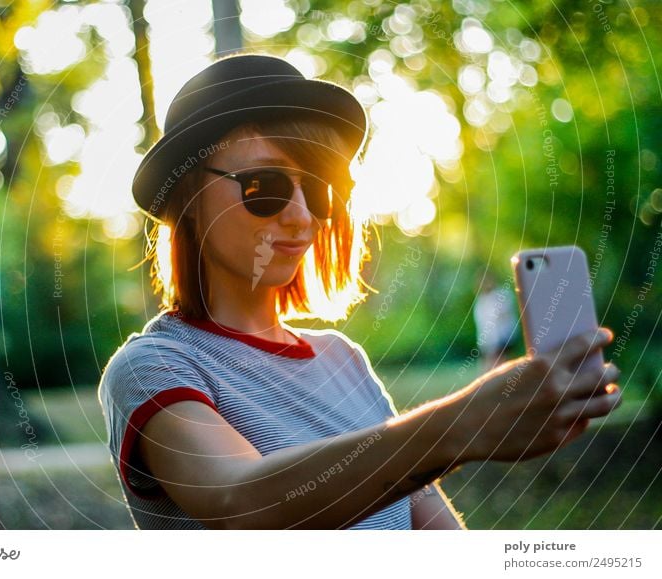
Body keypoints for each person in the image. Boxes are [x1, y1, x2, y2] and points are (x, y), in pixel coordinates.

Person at [98, 53, 622, 530]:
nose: (303, 217)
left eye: (319, 190)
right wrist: (461, 426)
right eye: (265, 185)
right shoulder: (155, 368)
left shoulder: (343, 359)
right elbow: (241, 502)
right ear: (187, 201)